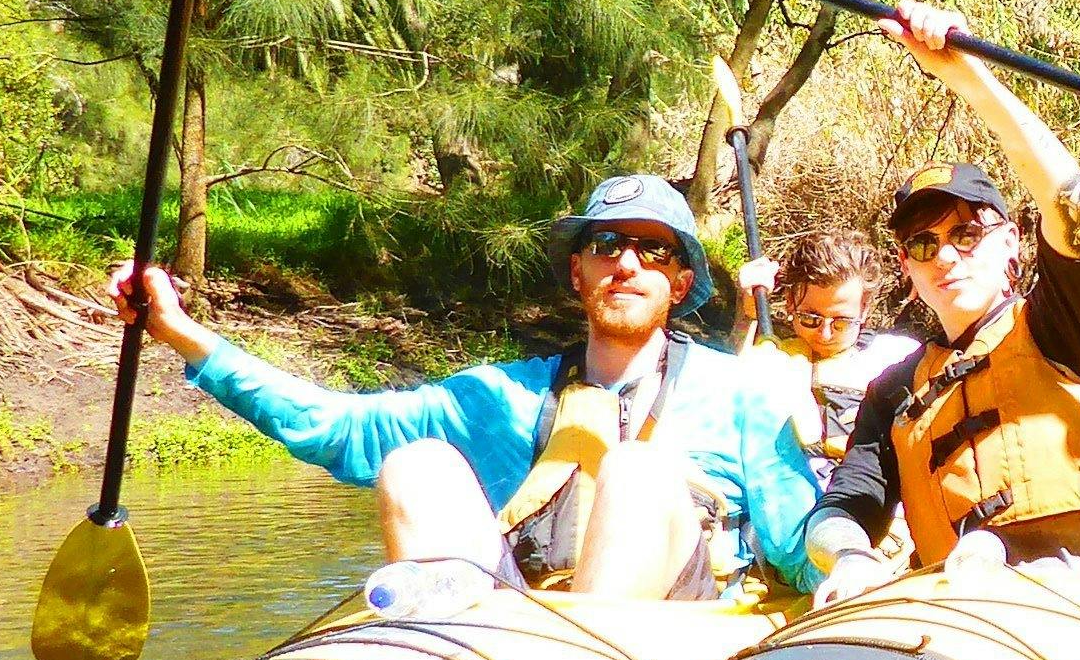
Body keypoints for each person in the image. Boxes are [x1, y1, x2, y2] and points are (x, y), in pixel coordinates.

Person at [110, 171, 825, 607]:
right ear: (577, 272)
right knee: (415, 464)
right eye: (606, 245)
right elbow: (333, 426)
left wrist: (849, 558)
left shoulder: (743, 393)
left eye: (653, 250)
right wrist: (181, 333)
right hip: (516, 641)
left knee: (636, 470)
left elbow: (797, 546)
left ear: (680, 281)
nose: (627, 263)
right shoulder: (503, 397)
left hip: (669, 634)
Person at [807, 1, 1080, 596]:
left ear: (1011, 243)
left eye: (966, 234)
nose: (944, 256)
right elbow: (843, 505)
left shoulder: (1062, 327)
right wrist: (849, 557)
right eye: (923, 244)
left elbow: (1069, 198)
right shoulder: (894, 390)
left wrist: (967, 76)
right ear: (905, 267)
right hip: (960, 609)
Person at [734, 225, 920, 467]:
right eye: (810, 319)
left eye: (842, 322)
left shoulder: (898, 358)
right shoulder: (772, 359)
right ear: (790, 302)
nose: (825, 334)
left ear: (864, 309)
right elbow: (728, 398)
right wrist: (747, 315)